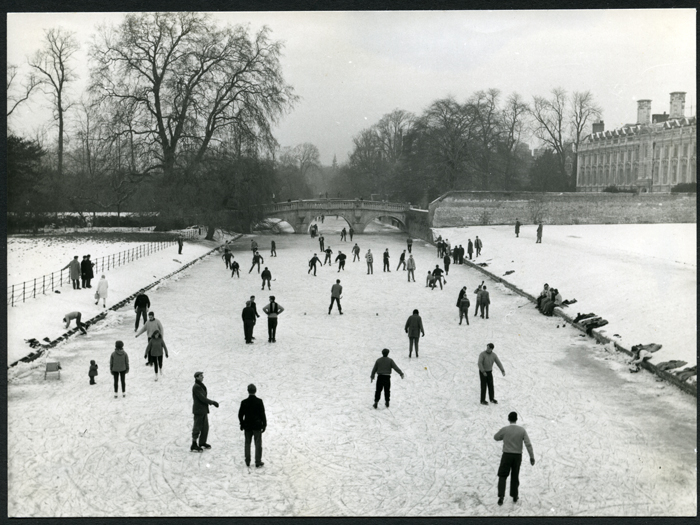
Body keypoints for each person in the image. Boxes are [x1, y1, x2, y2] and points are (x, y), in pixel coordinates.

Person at [494, 412, 535, 505]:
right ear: (516, 419)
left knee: (502, 475)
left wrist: (504, 437)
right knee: (515, 475)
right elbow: (528, 444)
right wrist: (531, 456)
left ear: (508, 419)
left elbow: (496, 437)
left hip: (506, 455)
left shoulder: (505, 429)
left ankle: (501, 496)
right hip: (517, 456)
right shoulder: (522, 430)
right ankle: (515, 495)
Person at [238, 384, 267, 467]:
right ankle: (258, 461)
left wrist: (242, 423)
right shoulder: (259, 401)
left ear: (248, 391)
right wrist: (264, 424)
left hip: (247, 426)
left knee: (247, 443)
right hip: (257, 426)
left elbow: (240, 414)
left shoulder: (244, 402)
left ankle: (247, 461)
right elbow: (262, 414)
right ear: (255, 390)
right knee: (258, 444)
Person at [191, 371, 219, 452]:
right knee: (197, 427)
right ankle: (194, 444)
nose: (203, 377)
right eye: (201, 376)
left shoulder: (200, 385)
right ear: (196, 377)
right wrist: (212, 402)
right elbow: (202, 398)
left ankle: (202, 442)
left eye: (202, 375)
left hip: (203, 410)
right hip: (198, 410)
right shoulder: (196, 386)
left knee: (205, 427)